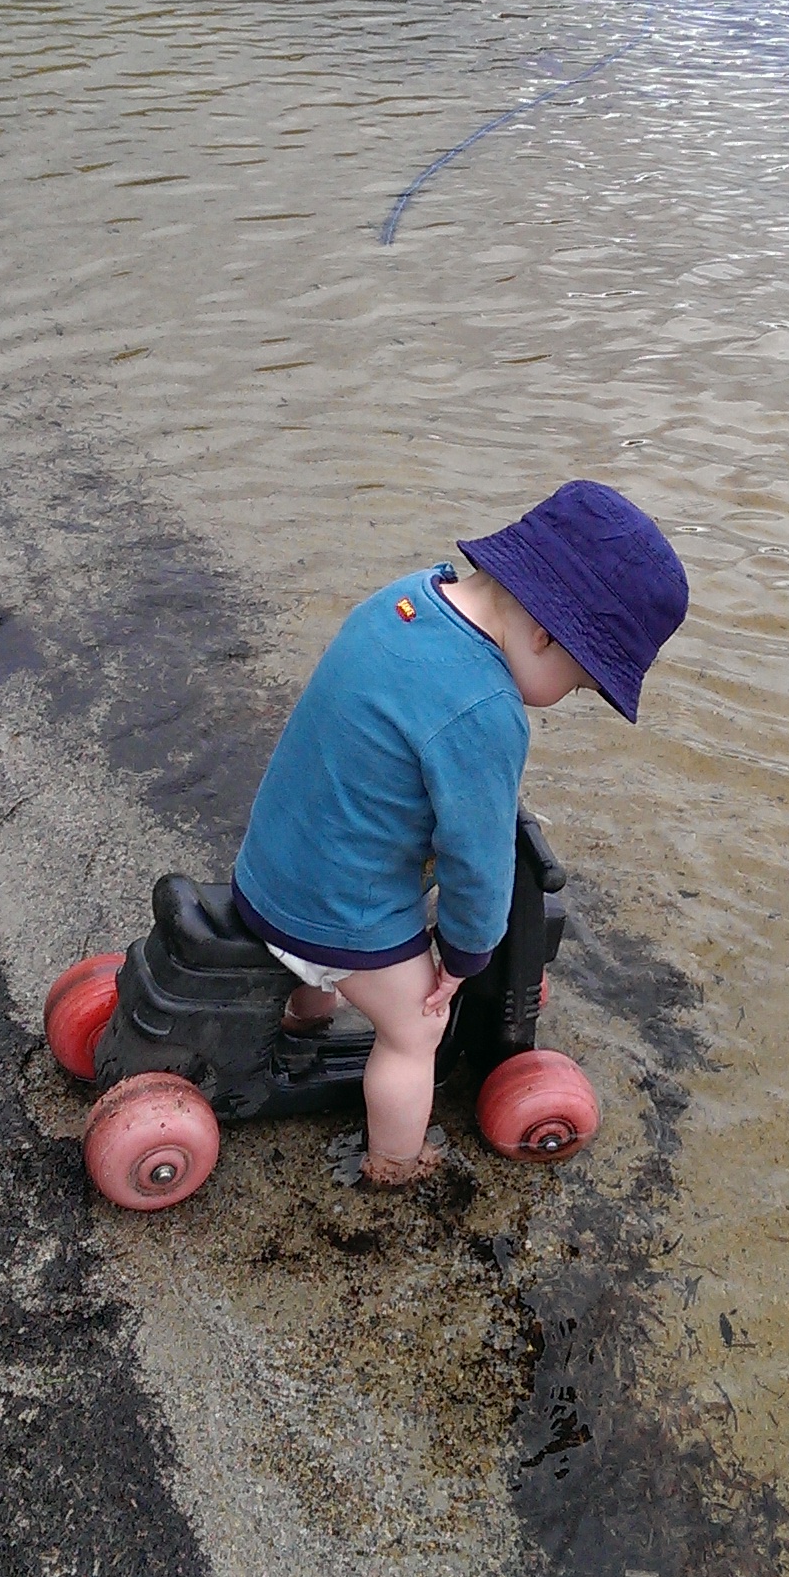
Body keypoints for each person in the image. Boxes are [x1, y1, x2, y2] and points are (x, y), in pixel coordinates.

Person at [231, 481, 689, 1185]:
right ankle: (395, 1160)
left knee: (366, 860)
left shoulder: (406, 599)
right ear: (544, 635)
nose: (564, 698)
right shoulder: (487, 710)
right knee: (418, 1028)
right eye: (576, 684)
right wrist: (464, 958)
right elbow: (477, 864)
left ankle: (306, 1014)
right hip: (332, 907)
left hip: (272, 863)